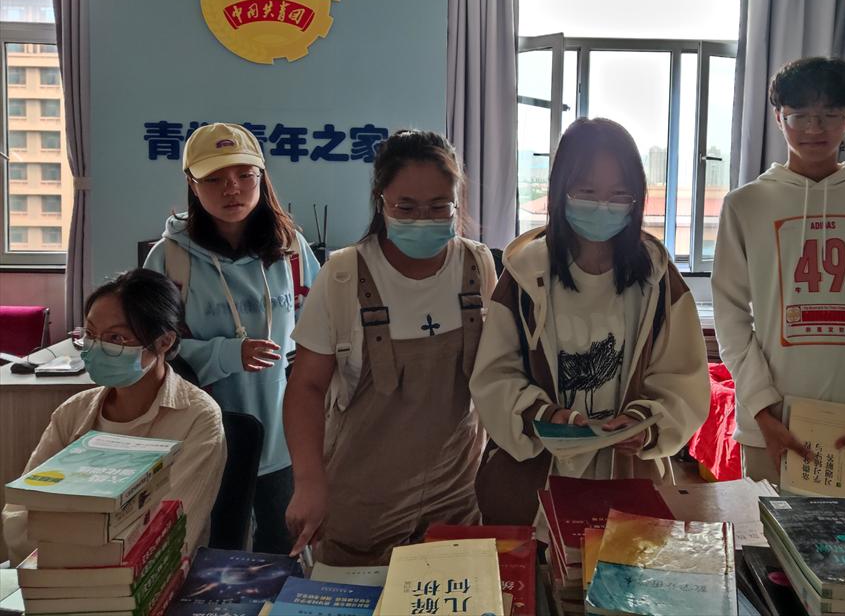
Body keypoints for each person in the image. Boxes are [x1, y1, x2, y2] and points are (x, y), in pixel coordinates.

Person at [711, 56, 845, 517]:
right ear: (779, 117)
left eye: (830, 113)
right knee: (770, 556)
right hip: (774, 433)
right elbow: (730, 316)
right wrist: (764, 411)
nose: (815, 128)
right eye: (800, 115)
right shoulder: (746, 204)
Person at [470, 117, 711, 526]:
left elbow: (683, 377)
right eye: (587, 192)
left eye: (618, 194)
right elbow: (494, 376)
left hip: (629, 476)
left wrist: (644, 422)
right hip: (535, 482)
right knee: (543, 561)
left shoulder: (657, 277)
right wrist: (545, 416)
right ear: (560, 191)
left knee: (624, 560)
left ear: (637, 199)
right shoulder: (525, 274)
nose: (603, 206)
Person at [284, 130, 497, 565]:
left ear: (457, 203)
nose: (423, 220)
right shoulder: (344, 275)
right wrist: (308, 481)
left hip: (456, 494)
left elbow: (497, 373)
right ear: (381, 202)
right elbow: (305, 386)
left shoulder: (477, 266)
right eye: (407, 207)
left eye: (438, 207)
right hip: (363, 501)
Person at [144, 122, 320, 554]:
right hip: (203, 439)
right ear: (192, 183)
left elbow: (320, 332)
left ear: (262, 177)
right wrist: (225, 354)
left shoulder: (291, 250)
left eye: (245, 174)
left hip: (283, 439)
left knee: (282, 553)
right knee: (210, 557)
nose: (232, 188)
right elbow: (149, 350)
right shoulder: (169, 257)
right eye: (215, 178)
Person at [2, 269, 226, 563]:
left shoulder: (197, 418)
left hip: (143, 581)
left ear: (164, 342)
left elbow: (166, 535)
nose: (97, 347)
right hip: (48, 572)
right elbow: (19, 513)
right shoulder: (73, 412)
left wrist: (65, 542)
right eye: (90, 334)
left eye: (116, 337)